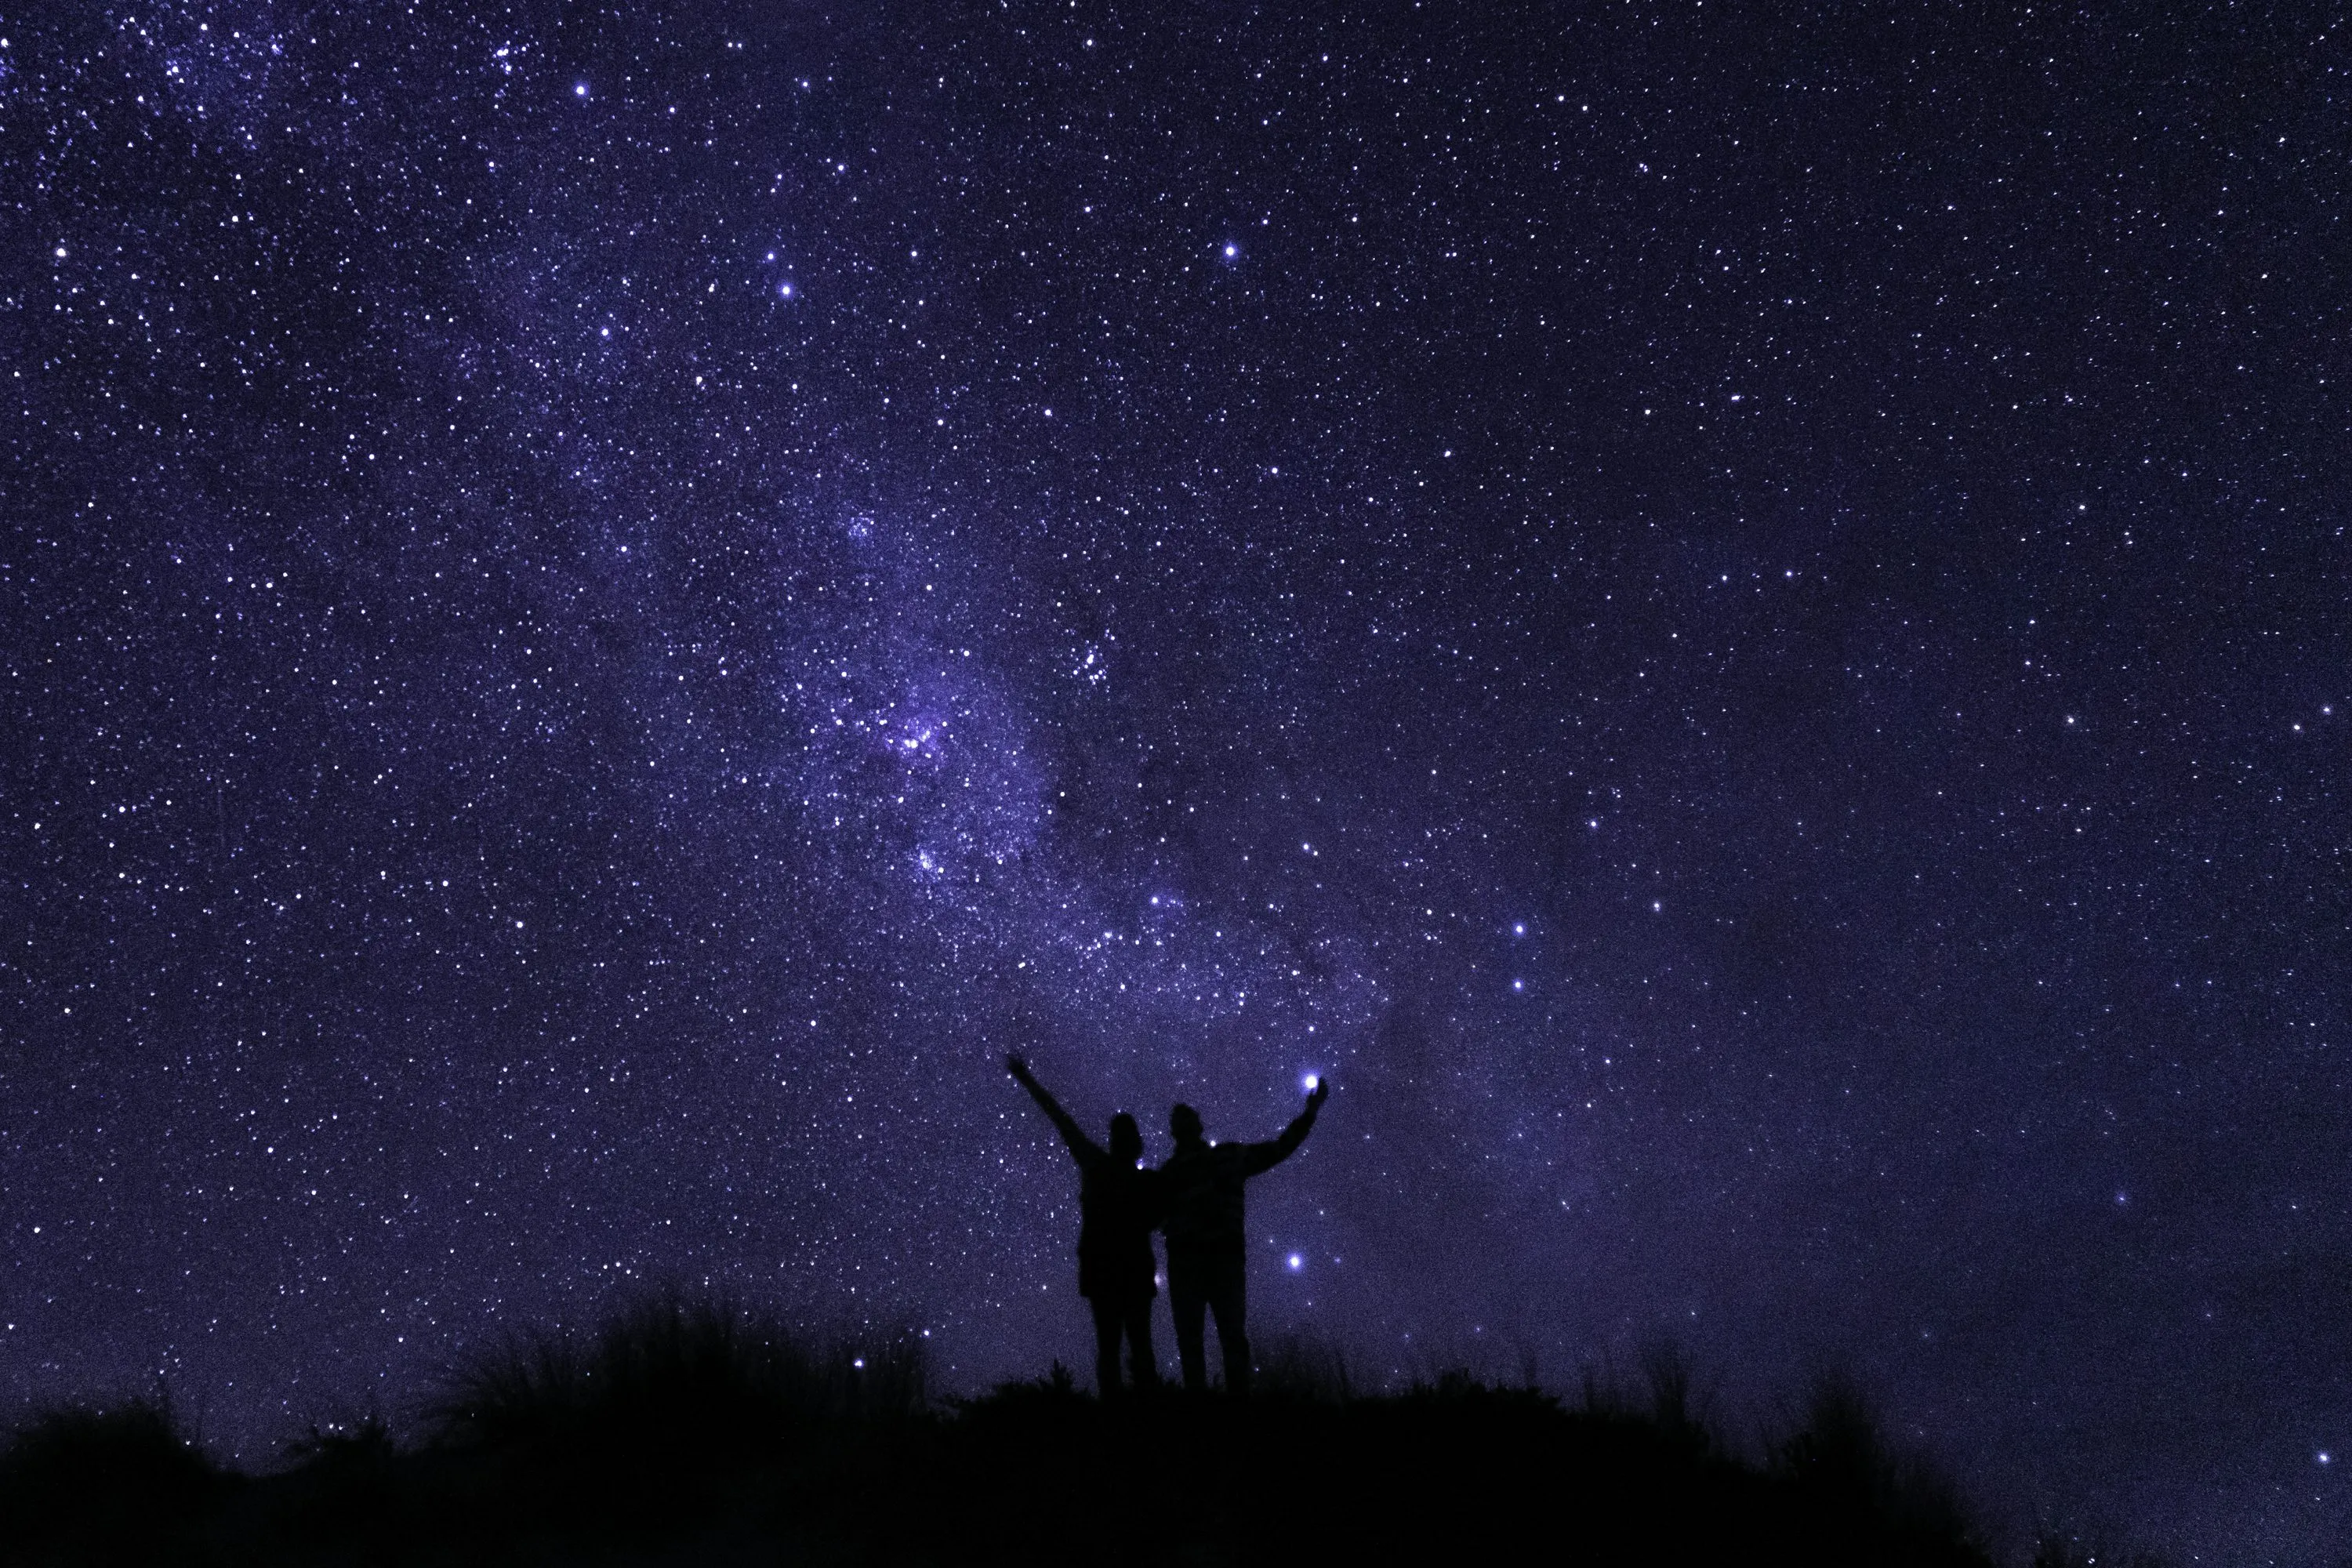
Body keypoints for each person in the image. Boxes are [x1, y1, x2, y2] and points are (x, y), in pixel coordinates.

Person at [1158, 1077, 1330, 1395]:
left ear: (1194, 1125)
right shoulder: (1173, 1173)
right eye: (1178, 1118)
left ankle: (1231, 1416)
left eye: (1185, 1116)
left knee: (1219, 1338)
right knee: (1208, 1339)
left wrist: (1310, 1112)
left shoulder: (1215, 1160)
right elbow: (1280, 1148)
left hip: (1211, 1262)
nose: (1182, 1120)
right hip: (1205, 1263)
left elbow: (1279, 1148)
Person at [1006, 1054, 1164, 1395]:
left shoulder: (1101, 1167)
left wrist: (1027, 1079)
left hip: (1106, 1271)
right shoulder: (1145, 1182)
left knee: (1113, 1350)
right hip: (1128, 1273)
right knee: (1138, 1349)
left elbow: (1062, 1120)